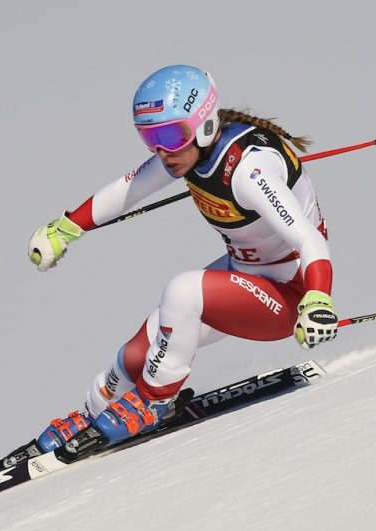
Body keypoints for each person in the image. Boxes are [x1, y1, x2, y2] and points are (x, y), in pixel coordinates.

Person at [24, 64, 338, 454]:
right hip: (246, 277)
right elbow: (129, 189)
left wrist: (319, 300)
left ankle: (155, 401)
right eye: (150, 138)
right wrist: (65, 229)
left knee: (183, 292)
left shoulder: (248, 171)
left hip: (289, 295)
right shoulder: (186, 152)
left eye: (170, 135)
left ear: (205, 125)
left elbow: (308, 238)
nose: (162, 151)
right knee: (142, 349)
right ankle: (92, 412)